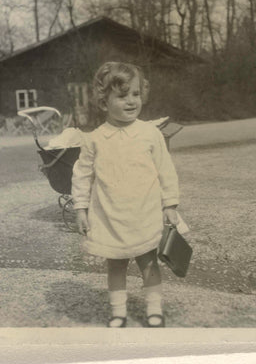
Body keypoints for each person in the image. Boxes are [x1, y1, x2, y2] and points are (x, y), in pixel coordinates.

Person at [71, 61, 180, 328]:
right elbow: (82, 175)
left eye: (135, 94)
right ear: (104, 102)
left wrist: (170, 204)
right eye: (122, 96)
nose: (131, 101)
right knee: (116, 266)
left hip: (144, 213)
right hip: (111, 215)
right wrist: (81, 209)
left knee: (149, 263)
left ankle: (154, 309)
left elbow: (165, 170)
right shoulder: (95, 139)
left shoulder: (150, 134)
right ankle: (117, 311)